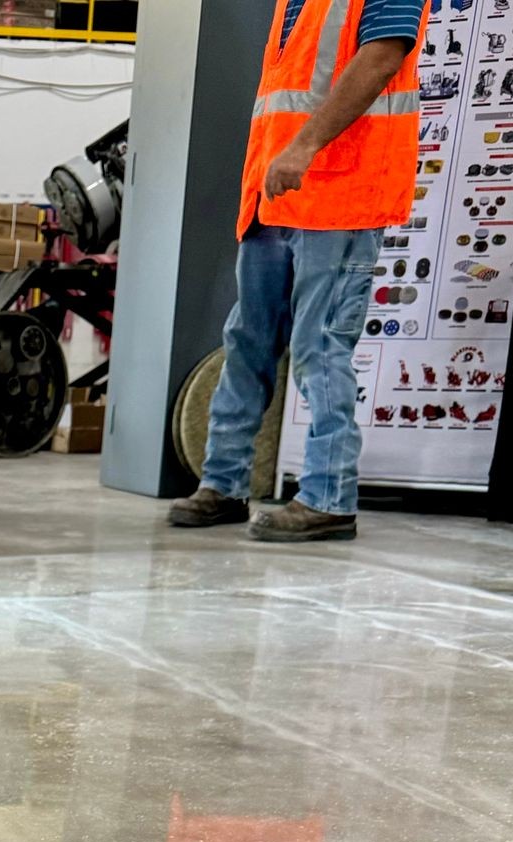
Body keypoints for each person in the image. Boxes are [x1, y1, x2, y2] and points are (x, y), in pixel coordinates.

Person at [169, 0, 430, 542]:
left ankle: (328, 497)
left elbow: (382, 58)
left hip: (339, 192)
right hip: (276, 197)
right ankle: (223, 484)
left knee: (320, 347)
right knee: (247, 345)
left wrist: (305, 146)